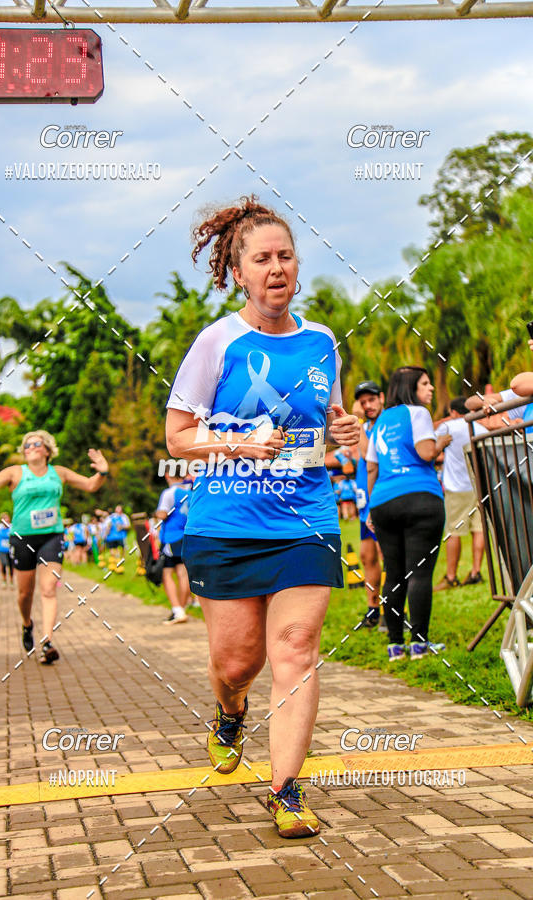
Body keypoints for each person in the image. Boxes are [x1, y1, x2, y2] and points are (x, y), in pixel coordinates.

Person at [165, 196, 360, 837]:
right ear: (239, 272)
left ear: (297, 266)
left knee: (296, 651)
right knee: (236, 662)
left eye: (285, 255)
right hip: (224, 522)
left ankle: (286, 791)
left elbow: (325, 426)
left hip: (305, 517)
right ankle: (228, 711)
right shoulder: (217, 341)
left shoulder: (322, 341)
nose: (276, 267)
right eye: (261, 258)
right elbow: (177, 438)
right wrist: (237, 443)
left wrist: (346, 429)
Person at [0, 431, 109, 664]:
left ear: (47, 450)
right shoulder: (15, 472)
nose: (31, 447)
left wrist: (102, 471)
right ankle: (27, 625)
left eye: (37, 444)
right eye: (27, 445)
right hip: (22, 538)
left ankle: (47, 642)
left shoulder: (59, 473)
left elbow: (91, 485)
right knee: (25, 593)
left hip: (51, 537)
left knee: (48, 589)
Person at [366, 366, 452, 661]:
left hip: (383, 501)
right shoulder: (418, 413)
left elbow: (372, 467)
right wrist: (443, 441)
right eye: (425, 384)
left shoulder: (379, 422)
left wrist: (369, 510)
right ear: (411, 389)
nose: (430, 389)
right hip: (420, 497)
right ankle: (418, 644)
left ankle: (394, 645)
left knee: (394, 574)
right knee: (419, 573)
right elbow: (427, 452)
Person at [433, 397, 487, 590]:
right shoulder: (481, 428)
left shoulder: (448, 427)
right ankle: (475, 571)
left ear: (453, 412)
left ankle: (451, 576)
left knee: (453, 532)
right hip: (479, 486)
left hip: (457, 487)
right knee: (479, 529)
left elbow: (432, 445)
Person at [354, 381, 385, 630]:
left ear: (381, 398)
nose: (367, 406)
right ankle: (373, 608)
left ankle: (393, 609)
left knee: (386, 555)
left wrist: (356, 422)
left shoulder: (385, 426)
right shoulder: (364, 427)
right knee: (367, 556)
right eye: (363, 402)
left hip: (381, 500)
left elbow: (366, 454)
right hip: (364, 503)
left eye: (371, 400)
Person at [156, 474, 192, 624]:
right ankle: (181, 610)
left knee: (167, 573)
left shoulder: (169, 492)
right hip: (187, 535)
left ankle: (177, 610)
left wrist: (157, 514)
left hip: (171, 536)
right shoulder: (191, 493)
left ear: (168, 475)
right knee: (183, 573)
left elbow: (163, 514)